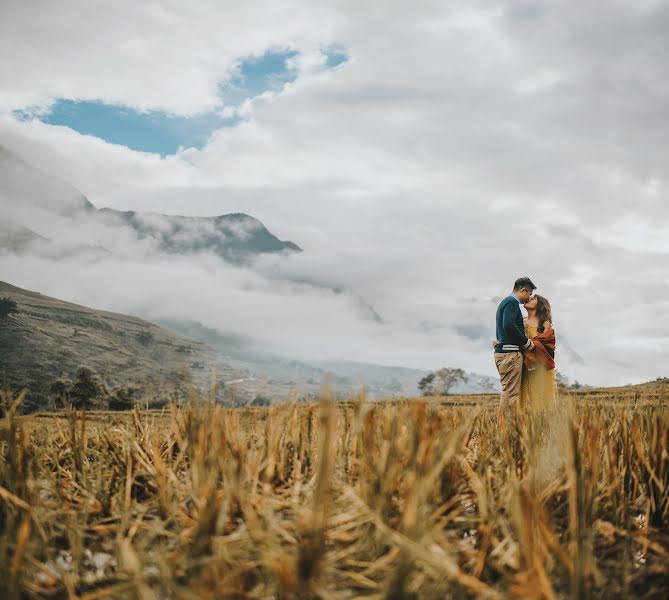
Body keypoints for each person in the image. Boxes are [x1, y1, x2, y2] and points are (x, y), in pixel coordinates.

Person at [493, 277, 537, 418]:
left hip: (503, 352)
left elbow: (506, 327)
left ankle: (504, 426)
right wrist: (526, 343)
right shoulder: (512, 303)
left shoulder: (504, 302)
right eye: (528, 294)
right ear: (523, 290)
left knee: (508, 391)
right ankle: (505, 428)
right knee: (511, 393)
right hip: (510, 354)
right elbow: (509, 325)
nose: (528, 298)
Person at [520, 294, 557, 412]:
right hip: (526, 368)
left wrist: (526, 343)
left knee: (543, 405)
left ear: (540, 305)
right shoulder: (521, 322)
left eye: (533, 298)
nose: (529, 298)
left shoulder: (545, 324)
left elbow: (548, 346)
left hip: (542, 369)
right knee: (526, 404)